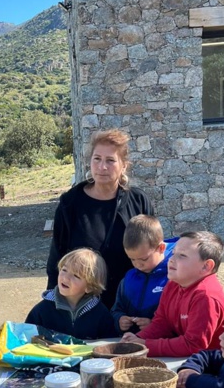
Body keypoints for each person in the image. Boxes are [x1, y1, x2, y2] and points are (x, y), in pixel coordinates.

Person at [46, 129, 155, 308]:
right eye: (97, 159)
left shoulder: (138, 201)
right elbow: (57, 257)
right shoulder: (70, 203)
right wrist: (54, 302)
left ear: (124, 166)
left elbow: (154, 253)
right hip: (82, 307)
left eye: (110, 160)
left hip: (129, 305)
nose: (102, 167)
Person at [122, 231, 224, 357]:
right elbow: (162, 322)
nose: (171, 259)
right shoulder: (173, 284)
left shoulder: (205, 297)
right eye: (173, 253)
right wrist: (136, 339)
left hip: (214, 365)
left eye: (182, 256)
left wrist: (145, 345)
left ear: (206, 266)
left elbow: (193, 345)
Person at [28, 247, 116, 340]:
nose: (66, 278)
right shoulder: (42, 310)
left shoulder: (100, 313)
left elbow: (109, 344)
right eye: (64, 270)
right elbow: (26, 339)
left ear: (89, 287)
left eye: (76, 276)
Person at [111, 215, 177, 334]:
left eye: (144, 259)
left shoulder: (176, 277)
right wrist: (119, 319)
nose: (138, 265)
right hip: (131, 345)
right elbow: (116, 309)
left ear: (161, 248)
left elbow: (180, 320)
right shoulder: (127, 279)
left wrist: (154, 326)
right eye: (132, 259)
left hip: (163, 347)